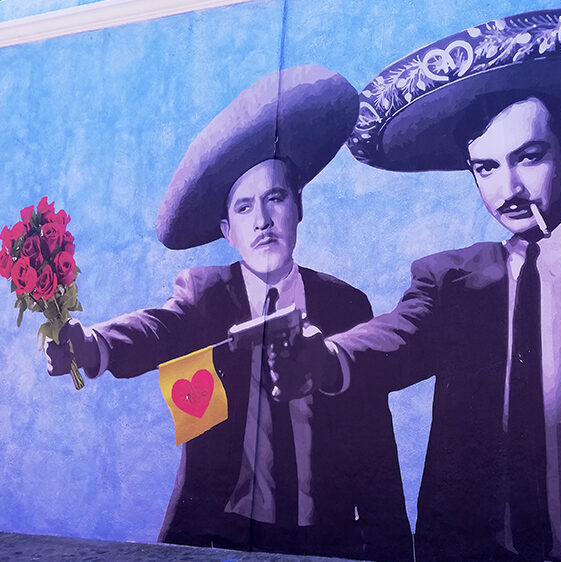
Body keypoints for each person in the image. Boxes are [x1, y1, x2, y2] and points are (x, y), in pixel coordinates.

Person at [270, 7, 561, 561]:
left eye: (528, 158)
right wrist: (324, 357)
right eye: (486, 168)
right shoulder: (451, 279)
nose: (509, 189)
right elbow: (397, 337)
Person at [44, 65, 412, 561]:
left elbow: (374, 451)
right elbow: (158, 328)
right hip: (222, 537)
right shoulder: (204, 295)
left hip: (325, 540)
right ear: (226, 230)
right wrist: (93, 345)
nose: (262, 221)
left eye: (275, 198)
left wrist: (392, 550)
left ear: (297, 207)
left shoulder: (347, 306)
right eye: (243, 209)